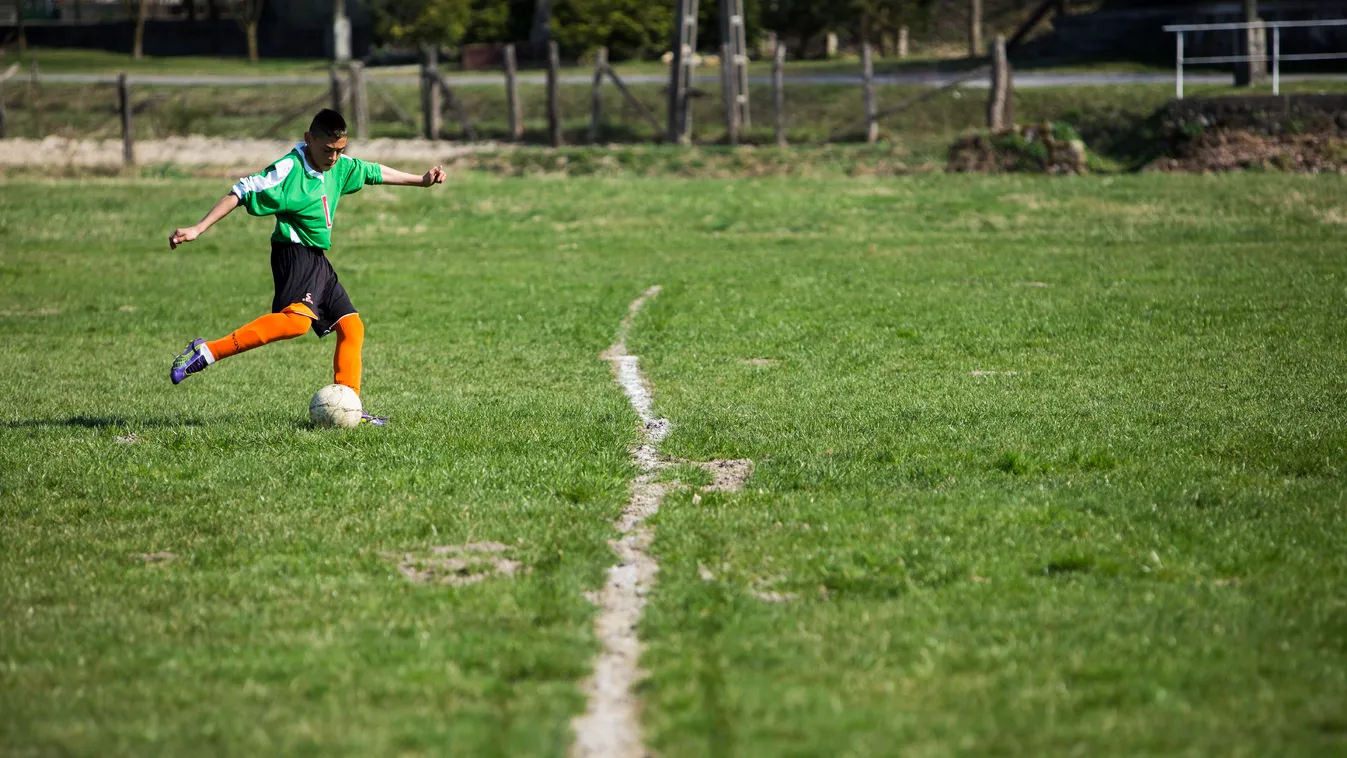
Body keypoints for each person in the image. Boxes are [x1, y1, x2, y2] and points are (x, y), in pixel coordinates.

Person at [166, 109, 445, 426]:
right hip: (293, 252)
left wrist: (421, 181)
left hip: (317, 259)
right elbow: (241, 191)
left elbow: (372, 172)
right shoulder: (288, 169)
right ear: (309, 139)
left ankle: (350, 406)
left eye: (341, 150)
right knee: (296, 324)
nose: (335, 157)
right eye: (328, 150)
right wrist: (198, 228)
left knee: (351, 327)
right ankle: (208, 351)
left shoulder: (339, 166)